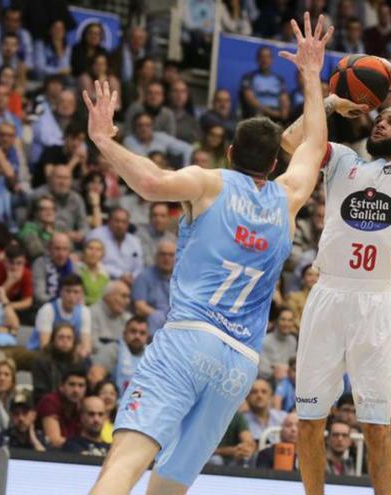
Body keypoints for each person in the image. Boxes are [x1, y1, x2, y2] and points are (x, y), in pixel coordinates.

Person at [85, 14, 332, 494]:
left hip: (188, 340)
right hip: (239, 363)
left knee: (126, 460)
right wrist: (311, 76)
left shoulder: (209, 181)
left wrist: (104, 140)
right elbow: (317, 143)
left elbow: (152, 182)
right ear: (275, 162)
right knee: (172, 482)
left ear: (231, 150)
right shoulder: (288, 198)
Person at [279, 50, 391, 493]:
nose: (380, 122)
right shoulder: (342, 159)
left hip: (375, 302)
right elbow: (292, 143)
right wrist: (329, 102)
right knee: (310, 418)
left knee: (376, 425)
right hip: (328, 294)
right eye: (378, 117)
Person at [30, 274, 92, 357]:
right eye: (68, 291)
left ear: (81, 294)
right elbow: (44, 346)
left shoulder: (84, 312)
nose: (72, 296)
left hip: (68, 354)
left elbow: (86, 345)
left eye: (76, 292)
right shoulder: (48, 310)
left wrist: (83, 352)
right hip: (39, 354)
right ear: (60, 292)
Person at [91, 316, 149, 392]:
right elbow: (95, 376)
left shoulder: (153, 356)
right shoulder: (112, 349)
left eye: (142, 333)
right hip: (115, 400)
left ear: (147, 337)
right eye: (133, 331)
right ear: (124, 334)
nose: (137, 336)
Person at [36, 367, 87, 449]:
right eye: (72, 384)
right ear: (61, 386)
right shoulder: (50, 401)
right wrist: (85, 446)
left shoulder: (82, 406)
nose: (76, 390)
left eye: (81, 386)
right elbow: (54, 441)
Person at [31, 323, 81, 404]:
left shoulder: (79, 363)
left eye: (69, 338)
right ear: (53, 340)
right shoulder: (41, 361)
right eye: (61, 337)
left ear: (74, 342)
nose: (65, 341)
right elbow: (40, 392)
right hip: (48, 404)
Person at [131, 240, 174, 331]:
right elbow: (139, 306)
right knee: (156, 317)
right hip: (153, 321)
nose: (167, 258)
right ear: (156, 257)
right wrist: (161, 317)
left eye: (171, 255)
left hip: (176, 319)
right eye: (163, 254)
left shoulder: (181, 278)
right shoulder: (143, 277)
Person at [243, 378, 288, 443]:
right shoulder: (241, 421)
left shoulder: (283, 417)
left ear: (271, 396)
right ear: (247, 397)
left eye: (264, 392)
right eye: (254, 392)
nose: (259, 395)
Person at [259, 307, 298, 380]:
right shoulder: (265, 340)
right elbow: (262, 370)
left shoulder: (292, 341)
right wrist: (277, 372)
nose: (286, 324)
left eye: (290, 320)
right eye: (283, 319)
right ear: (276, 321)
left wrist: (277, 367)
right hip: (269, 383)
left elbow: (293, 365)